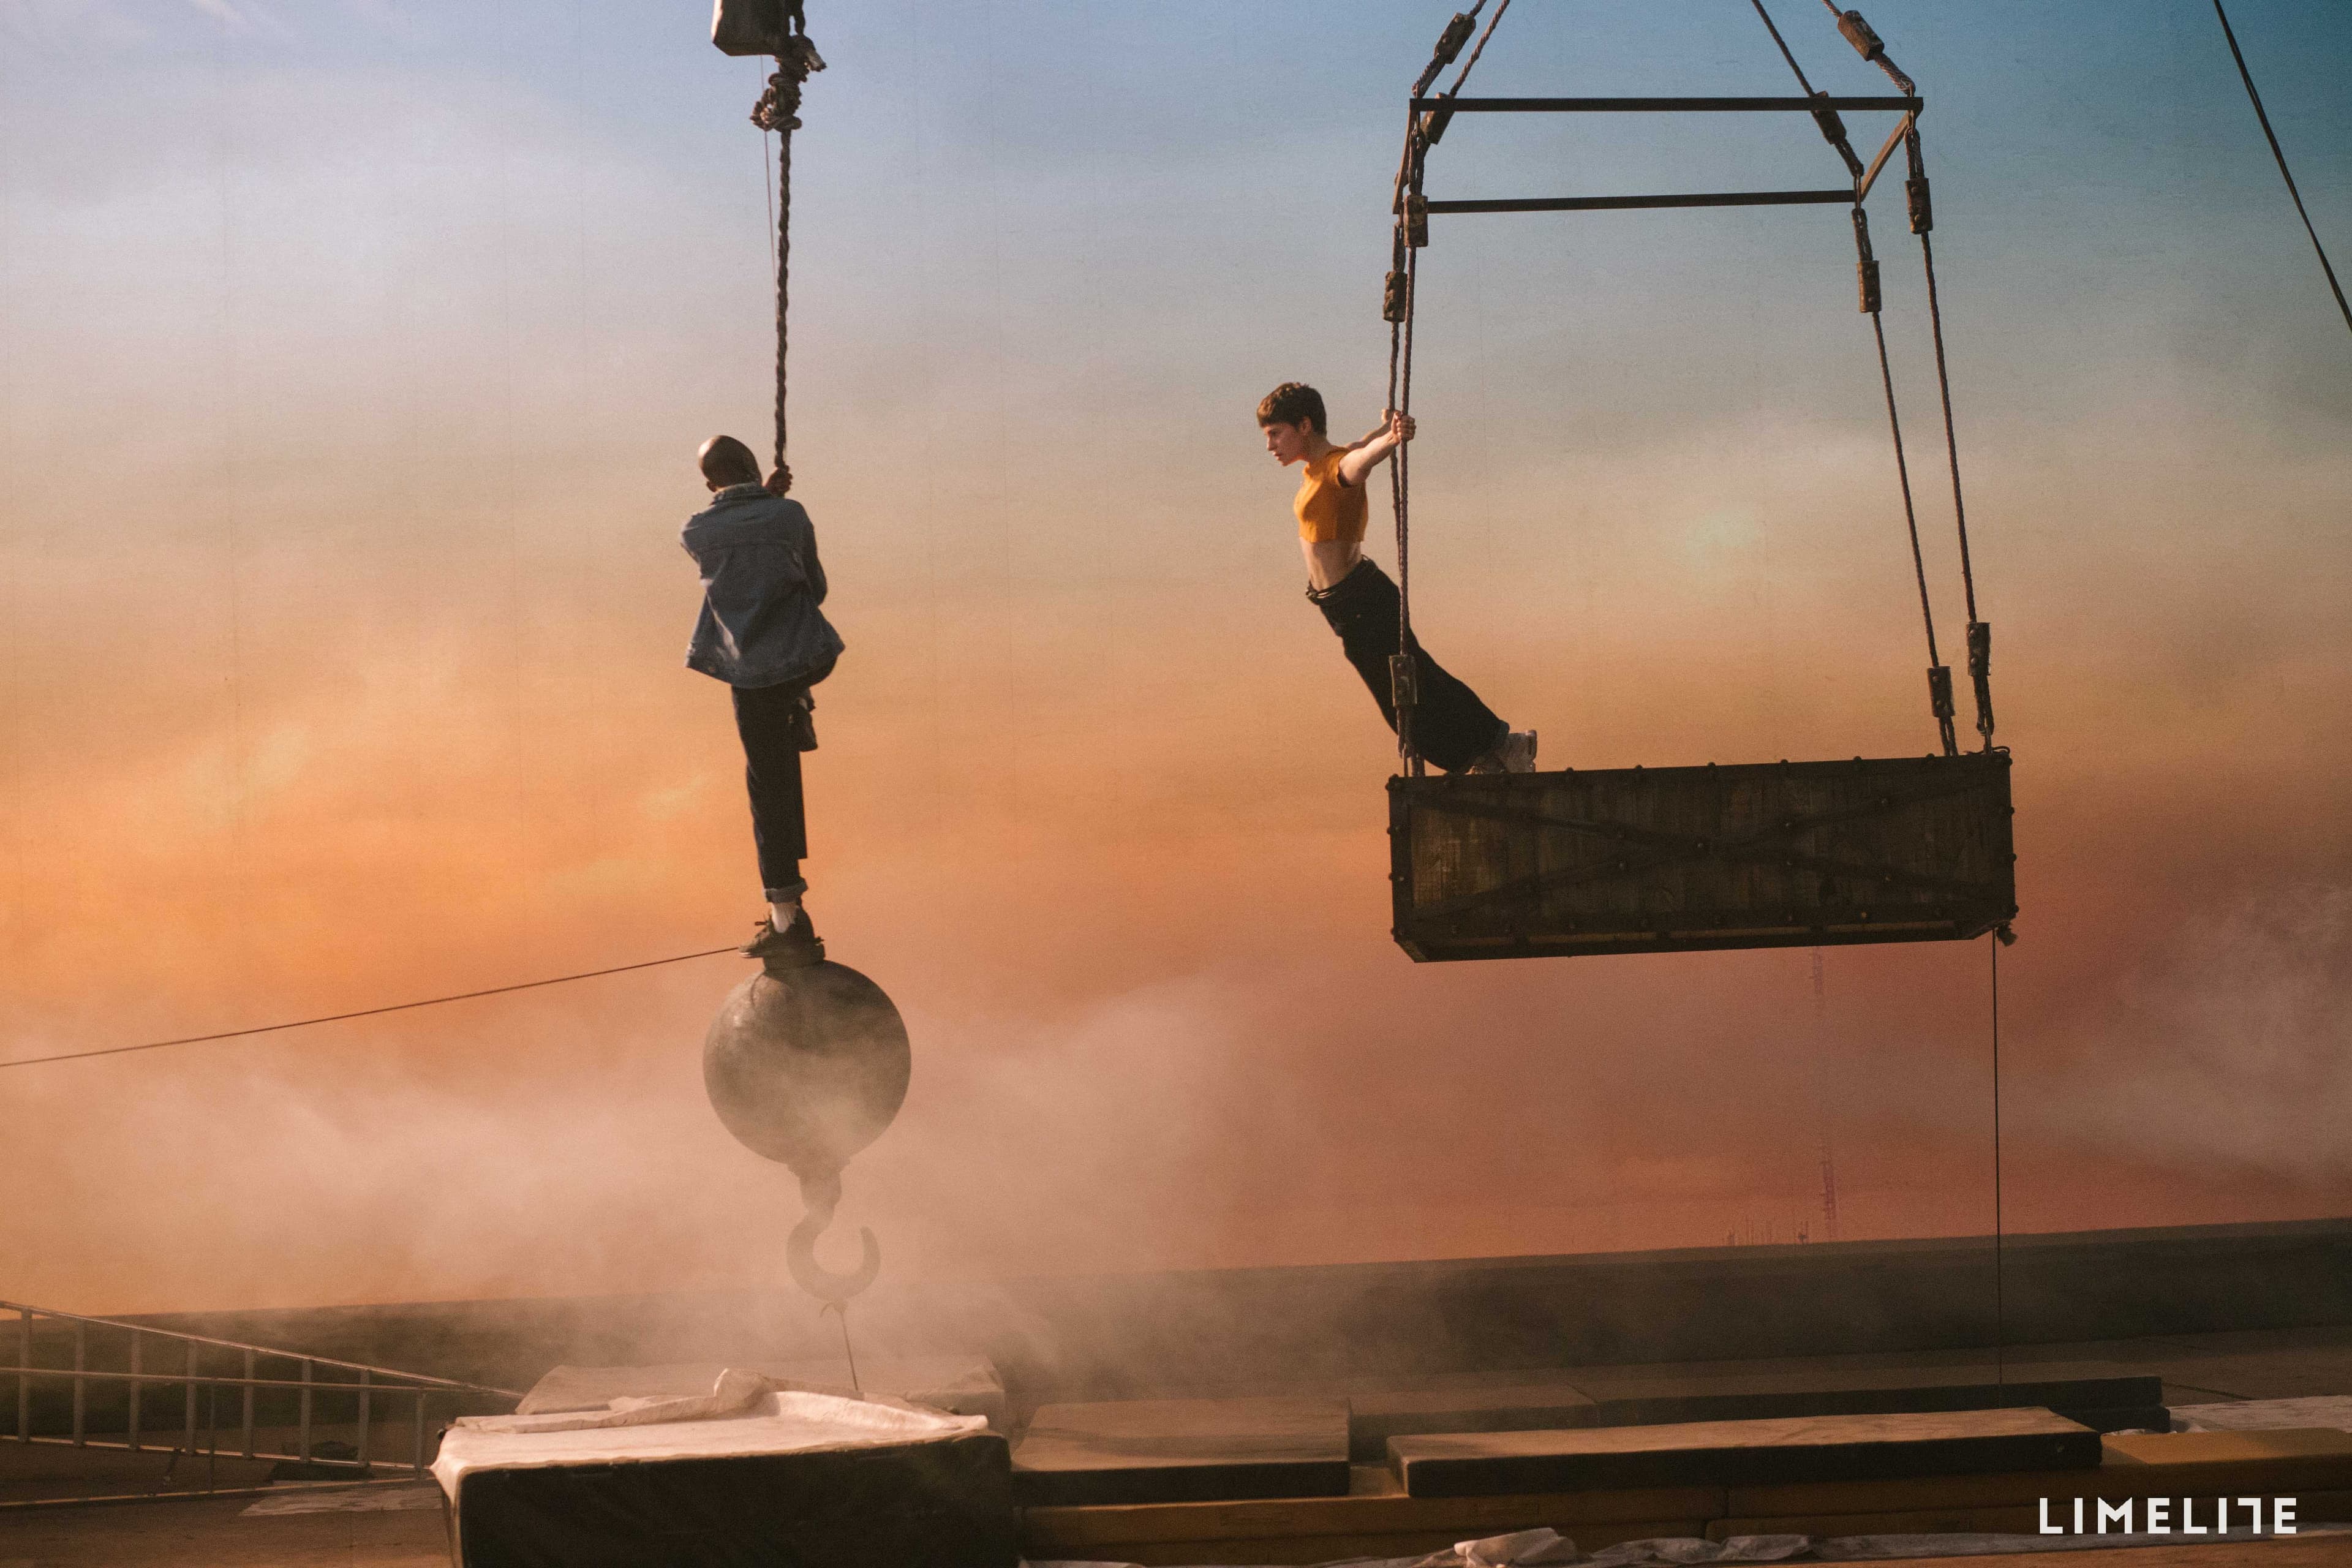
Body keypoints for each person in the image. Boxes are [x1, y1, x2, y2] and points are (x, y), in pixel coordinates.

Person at [1257, 382, 1535, 774]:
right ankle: (1498, 749)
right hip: (1349, 605)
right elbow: (1360, 446)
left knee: (1408, 696)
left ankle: (1500, 747)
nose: (1270, 445)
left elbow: (1363, 460)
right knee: (1417, 682)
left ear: (1304, 426)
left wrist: (1392, 439)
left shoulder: (1337, 470)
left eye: (1275, 433)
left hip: (1359, 602)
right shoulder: (1321, 466)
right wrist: (1385, 427)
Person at [682, 435, 844, 967]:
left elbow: (737, 541)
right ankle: (795, 702)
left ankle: (785, 918)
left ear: (710, 484)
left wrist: (761, 499)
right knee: (779, 754)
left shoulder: (696, 531)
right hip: (806, 657)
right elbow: (815, 588)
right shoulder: (789, 516)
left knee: (766, 785)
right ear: (755, 468)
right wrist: (771, 501)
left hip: (752, 674)